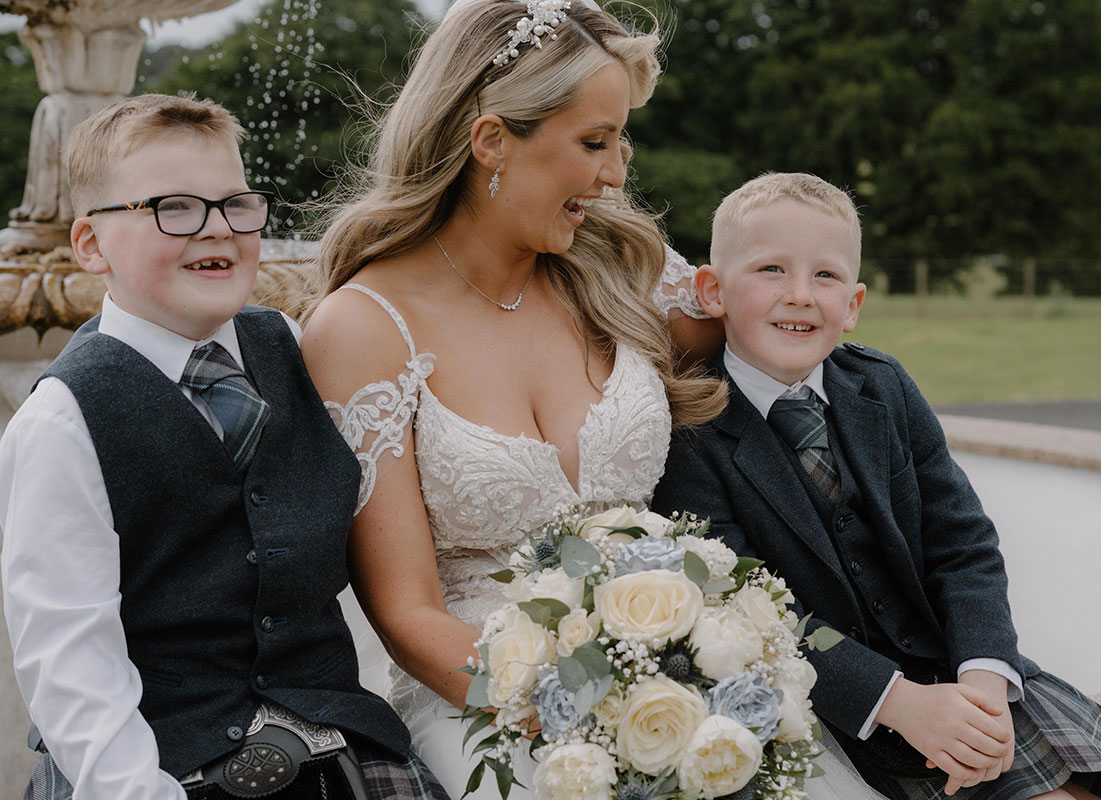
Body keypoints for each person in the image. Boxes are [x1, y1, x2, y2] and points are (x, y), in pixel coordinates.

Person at [299, 1, 729, 797]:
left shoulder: (622, 264)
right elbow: (406, 615)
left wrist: (712, 667)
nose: (616, 172)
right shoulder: (362, 329)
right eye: (594, 142)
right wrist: (585, 709)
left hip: (680, 689)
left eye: (620, 140)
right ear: (491, 139)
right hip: (486, 710)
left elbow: (777, 338)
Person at [0, 94, 450, 800]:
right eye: (173, 208)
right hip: (150, 766)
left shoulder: (294, 347)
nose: (216, 230)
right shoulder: (61, 420)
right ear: (90, 245)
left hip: (331, 738)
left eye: (236, 203)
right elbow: (70, 663)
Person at [650, 172, 1101, 800]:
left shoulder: (883, 387)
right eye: (771, 270)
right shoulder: (691, 427)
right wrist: (900, 704)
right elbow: (741, 614)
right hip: (838, 707)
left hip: (955, 664)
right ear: (712, 290)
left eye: (826, 276)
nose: (801, 295)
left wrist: (984, 681)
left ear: (854, 304)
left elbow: (963, 543)